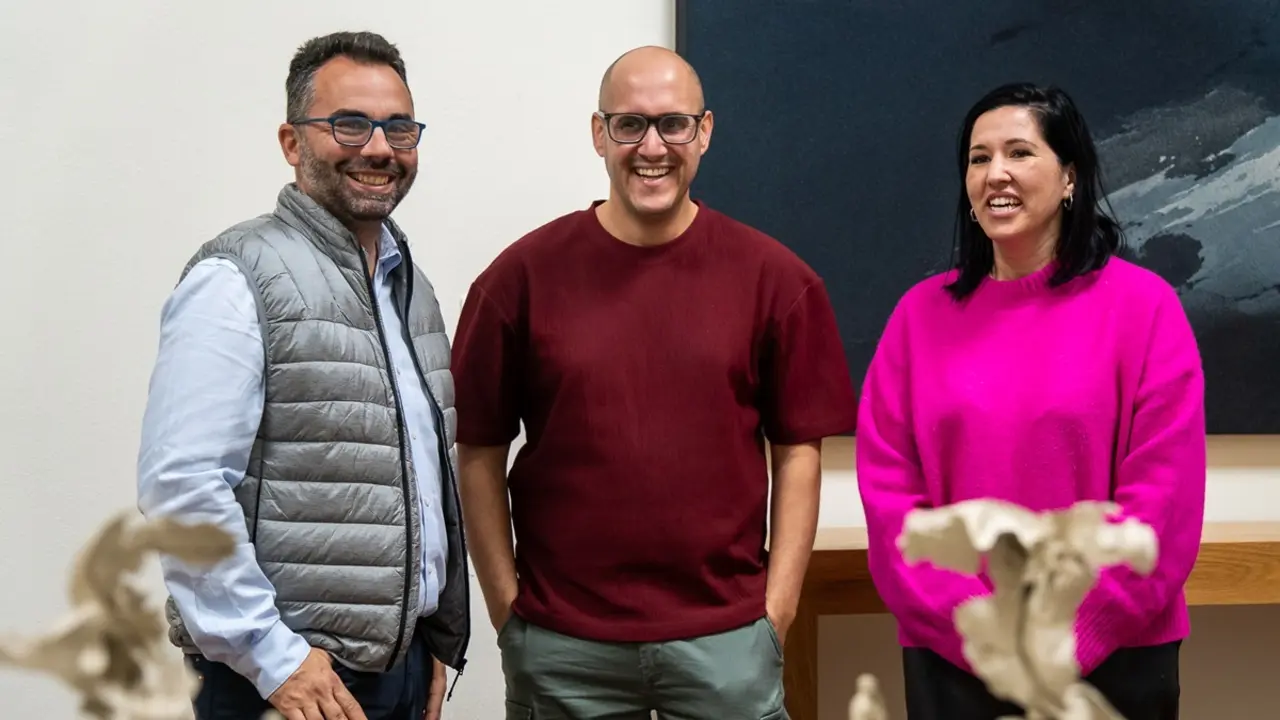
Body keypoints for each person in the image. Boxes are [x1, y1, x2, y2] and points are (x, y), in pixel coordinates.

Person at [450, 45, 858, 718]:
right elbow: (479, 452)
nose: (652, 146)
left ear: (704, 132)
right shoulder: (517, 281)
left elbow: (799, 453)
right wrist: (509, 611)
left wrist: (775, 612)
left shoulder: (777, 281)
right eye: (629, 124)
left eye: (673, 123)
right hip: (564, 648)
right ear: (597, 134)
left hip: (727, 640)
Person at [135, 31, 469, 720]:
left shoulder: (414, 290)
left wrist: (433, 639)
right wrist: (272, 657)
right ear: (293, 142)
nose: (379, 147)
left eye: (399, 127)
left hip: (397, 672)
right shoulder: (235, 278)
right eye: (350, 123)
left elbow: (419, 483)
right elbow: (181, 488)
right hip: (285, 683)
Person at [856, 81, 1206, 720]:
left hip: (1110, 660)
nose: (996, 174)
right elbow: (891, 503)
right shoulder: (917, 319)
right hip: (957, 659)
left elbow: (1164, 503)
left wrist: (1066, 640)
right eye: (978, 157)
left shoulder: (1144, 309)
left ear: (1070, 176)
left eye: (1019, 152)